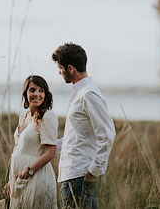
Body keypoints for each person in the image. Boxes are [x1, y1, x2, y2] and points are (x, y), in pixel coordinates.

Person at [52, 43, 115, 209]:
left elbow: (107, 135)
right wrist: (49, 145)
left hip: (80, 177)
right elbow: (78, 137)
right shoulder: (80, 93)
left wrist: (94, 170)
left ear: (70, 68)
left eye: (60, 68)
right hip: (75, 175)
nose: (59, 72)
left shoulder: (88, 94)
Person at [4, 75, 59, 208]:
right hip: (18, 178)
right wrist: (10, 181)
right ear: (25, 93)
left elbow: (51, 152)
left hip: (36, 176)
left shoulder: (47, 117)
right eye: (32, 90)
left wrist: (29, 170)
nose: (37, 94)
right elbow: (18, 148)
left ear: (46, 94)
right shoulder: (24, 116)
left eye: (41, 90)